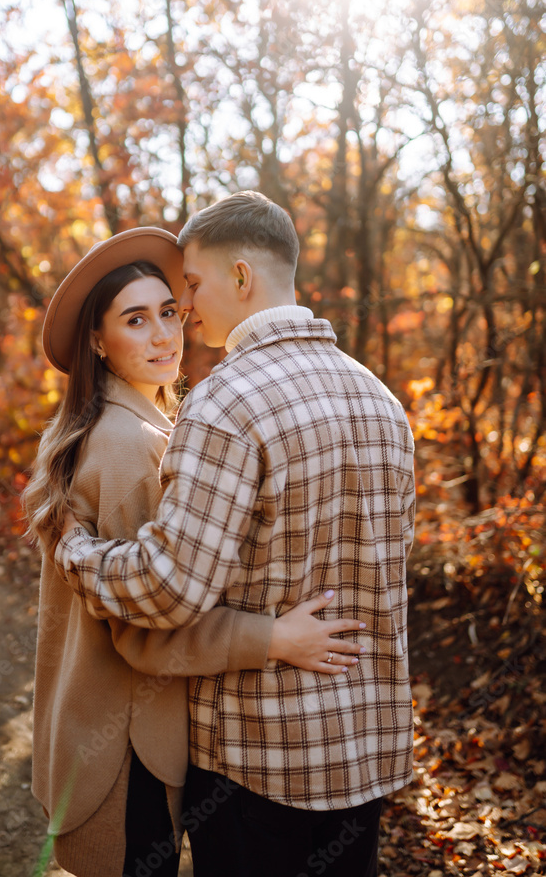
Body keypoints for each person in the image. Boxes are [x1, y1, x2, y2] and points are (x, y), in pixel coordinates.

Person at [55, 194, 416, 877]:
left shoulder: (225, 401)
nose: (185, 307)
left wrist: (77, 554)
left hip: (257, 760)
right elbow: (393, 564)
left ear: (242, 278)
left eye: (190, 285)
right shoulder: (380, 398)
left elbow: (167, 590)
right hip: (363, 752)